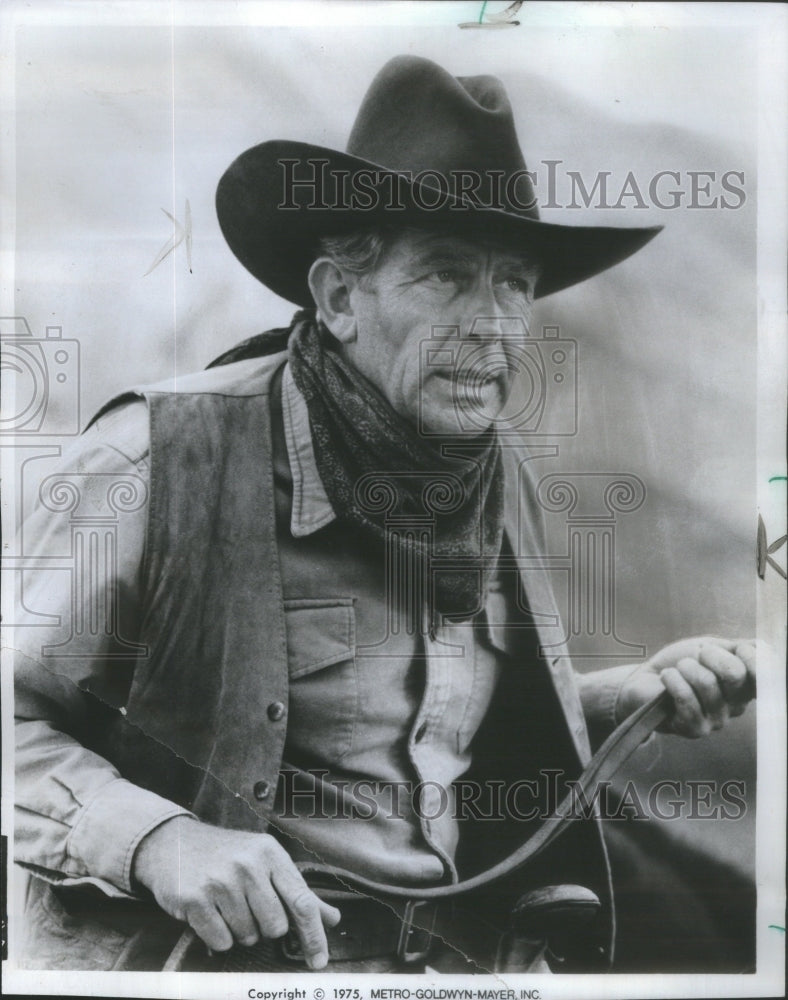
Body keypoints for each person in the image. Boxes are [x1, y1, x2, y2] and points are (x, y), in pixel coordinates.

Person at [12, 54, 756, 974]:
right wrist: (160, 840)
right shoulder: (156, 460)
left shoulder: (496, 481)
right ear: (338, 297)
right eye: (446, 277)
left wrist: (616, 700)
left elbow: (434, 732)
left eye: (514, 283)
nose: (493, 325)